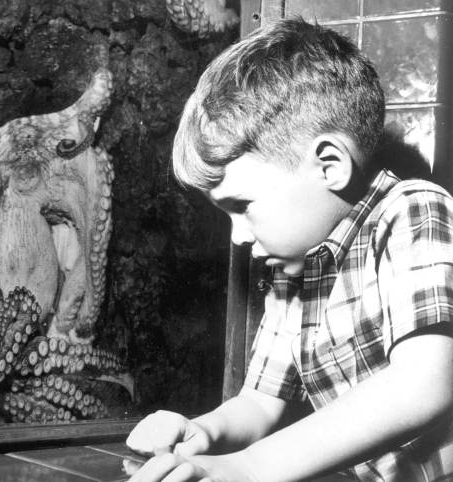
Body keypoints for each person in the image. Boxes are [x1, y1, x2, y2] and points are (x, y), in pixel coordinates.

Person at [125, 17, 453, 482]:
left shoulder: (413, 211)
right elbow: (259, 403)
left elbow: (426, 384)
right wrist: (203, 433)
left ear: (330, 165)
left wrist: (252, 466)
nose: (238, 235)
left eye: (242, 206)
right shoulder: (294, 268)